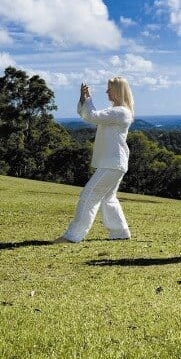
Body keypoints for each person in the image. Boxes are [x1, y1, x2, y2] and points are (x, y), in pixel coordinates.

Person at [54, 77, 134, 243]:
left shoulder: (120, 112)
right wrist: (84, 99)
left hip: (113, 163)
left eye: (109, 89)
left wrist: (88, 98)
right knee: (108, 198)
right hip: (115, 163)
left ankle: (72, 236)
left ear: (118, 90)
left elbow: (92, 115)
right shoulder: (117, 112)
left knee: (89, 194)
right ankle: (120, 231)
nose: (107, 92)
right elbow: (88, 115)